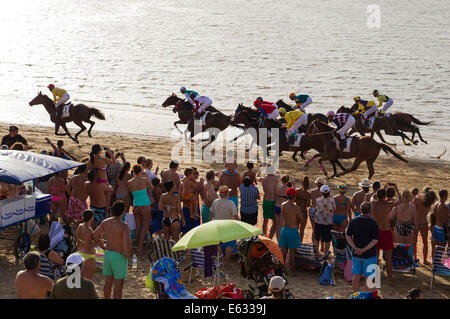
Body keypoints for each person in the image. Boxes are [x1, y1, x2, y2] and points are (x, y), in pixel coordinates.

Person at [93, 201, 131, 299]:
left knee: (108, 283)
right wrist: (127, 254)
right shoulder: (124, 226)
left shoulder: (106, 222)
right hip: (119, 255)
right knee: (118, 285)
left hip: (108, 254)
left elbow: (95, 235)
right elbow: (127, 242)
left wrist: (102, 246)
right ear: (123, 211)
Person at [346, 202, 379, 292]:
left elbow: (348, 235)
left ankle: (356, 296)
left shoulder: (353, 221)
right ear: (371, 211)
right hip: (369, 254)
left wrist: (355, 248)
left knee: (356, 276)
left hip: (356, 254)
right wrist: (364, 249)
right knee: (368, 278)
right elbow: (375, 240)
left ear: (360, 210)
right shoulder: (373, 223)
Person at [210, 185, 240, 266]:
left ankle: (219, 259)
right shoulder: (230, 203)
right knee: (229, 245)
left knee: (219, 243)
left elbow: (211, 214)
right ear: (227, 194)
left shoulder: (215, 201)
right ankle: (226, 262)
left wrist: (210, 223)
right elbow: (235, 215)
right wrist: (240, 223)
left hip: (218, 225)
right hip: (228, 226)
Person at [370, 188, 394, 280]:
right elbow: (400, 200)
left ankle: (374, 276)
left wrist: (380, 190)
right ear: (385, 196)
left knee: (375, 256)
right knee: (388, 257)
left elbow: (372, 197)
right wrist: (395, 188)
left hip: (376, 231)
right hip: (386, 231)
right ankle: (389, 277)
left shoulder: (373, 203)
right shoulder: (388, 204)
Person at [127, 165, 152, 256]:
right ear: (141, 170)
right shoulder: (144, 180)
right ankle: (140, 248)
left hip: (136, 205)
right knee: (145, 226)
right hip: (145, 204)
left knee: (138, 226)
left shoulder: (130, 182)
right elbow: (151, 188)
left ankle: (137, 245)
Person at [279, 187, 302, 272]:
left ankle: (282, 268)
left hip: (284, 229)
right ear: (294, 196)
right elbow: (301, 219)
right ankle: (291, 270)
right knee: (292, 252)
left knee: (284, 252)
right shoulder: (296, 208)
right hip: (292, 230)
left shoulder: (283, 205)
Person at [76, 210, 104, 280]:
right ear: (91, 218)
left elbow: (77, 238)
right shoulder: (89, 230)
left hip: (80, 253)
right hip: (88, 256)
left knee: (80, 278)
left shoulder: (80, 226)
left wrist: (79, 245)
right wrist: (98, 243)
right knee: (87, 279)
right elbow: (87, 245)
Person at [412, 188, 437, 264]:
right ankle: (425, 260)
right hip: (424, 223)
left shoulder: (417, 199)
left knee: (414, 242)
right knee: (425, 242)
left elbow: (412, 208)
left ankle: (415, 258)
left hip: (415, 223)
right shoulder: (428, 203)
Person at [259, 165, 280, 239]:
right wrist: (276, 170)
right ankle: (270, 238)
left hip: (266, 200)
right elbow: (280, 173)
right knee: (275, 222)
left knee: (265, 220)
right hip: (274, 201)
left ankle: (264, 237)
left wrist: (262, 170)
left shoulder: (264, 179)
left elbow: (257, 177)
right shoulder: (276, 178)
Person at [314, 185, 336, 256]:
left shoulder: (318, 200)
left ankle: (316, 252)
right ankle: (326, 254)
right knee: (327, 239)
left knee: (317, 237)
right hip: (328, 222)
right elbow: (334, 209)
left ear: (321, 192)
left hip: (318, 221)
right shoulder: (332, 200)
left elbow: (316, 208)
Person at [310, 177, 326, 245]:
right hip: (320, 211)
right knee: (321, 229)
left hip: (312, 210)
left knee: (314, 230)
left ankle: (314, 245)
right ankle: (321, 247)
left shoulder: (313, 191)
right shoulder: (323, 192)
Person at [295, 176, 311, 243]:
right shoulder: (307, 194)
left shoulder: (297, 191)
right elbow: (307, 205)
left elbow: (294, 200)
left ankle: (294, 243)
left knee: (295, 229)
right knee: (302, 230)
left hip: (296, 211)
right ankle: (300, 244)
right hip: (303, 212)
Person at [275, 175, 291, 240]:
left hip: (276, 206)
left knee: (278, 226)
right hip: (282, 207)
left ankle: (278, 240)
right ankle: (280, 242)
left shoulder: (278, 187)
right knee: (281, 226)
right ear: (287, 181)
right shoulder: (287, 188)